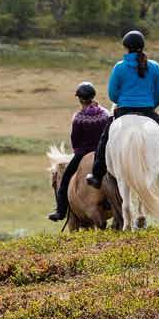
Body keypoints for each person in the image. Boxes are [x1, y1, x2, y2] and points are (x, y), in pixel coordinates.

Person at [86, 30, 159, 192]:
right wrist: (151, 105)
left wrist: (122, 101)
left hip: (124, 110)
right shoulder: (154, 67)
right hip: (148, 111)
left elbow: (112, 93)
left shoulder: (119, 67)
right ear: (142, 46)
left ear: (126, 47)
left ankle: (96, 175)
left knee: (104, 140)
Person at [48, 81, 110, 221]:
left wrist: (78, 152)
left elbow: (75, 140)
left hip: (84, 152)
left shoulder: (78, 118)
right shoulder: (105, 113)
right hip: (104, 153)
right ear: (93, 96)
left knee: (65, 180)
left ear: (80, 99)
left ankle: (60, 212)